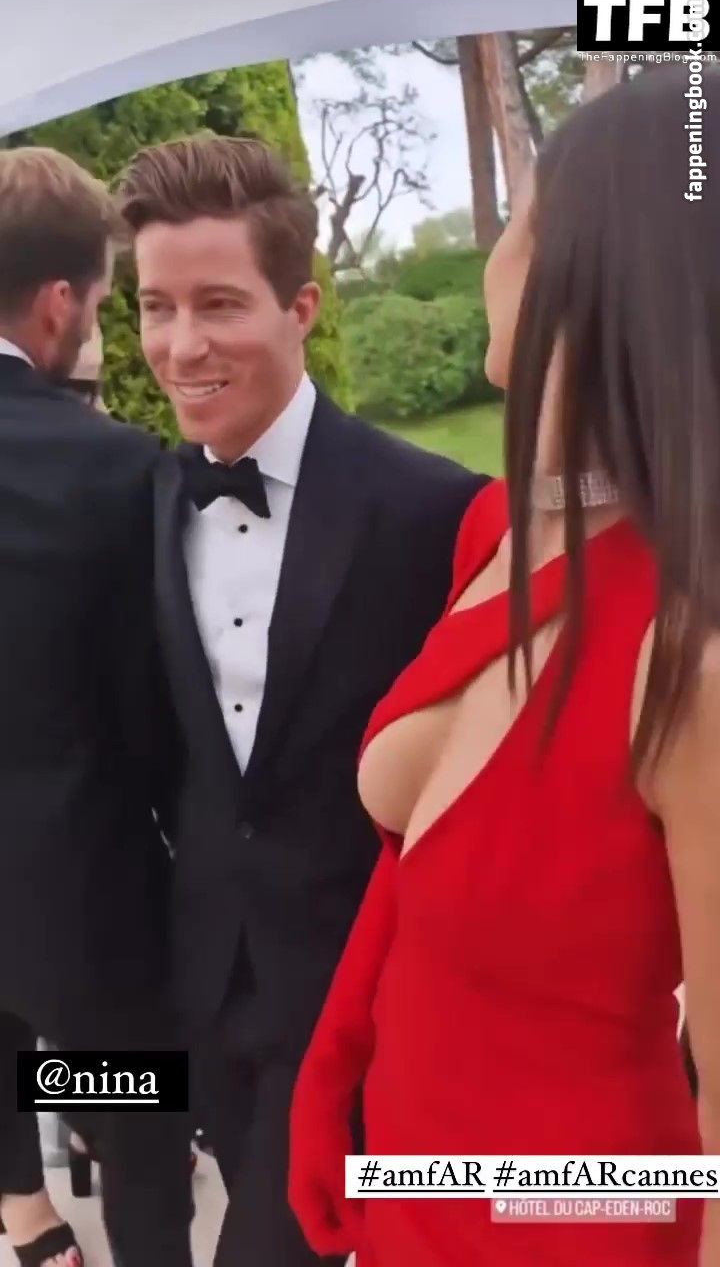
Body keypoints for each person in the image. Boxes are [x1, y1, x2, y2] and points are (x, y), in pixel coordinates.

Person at [288, 65, 720, 1267]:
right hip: (415, 1187)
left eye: (519, 220)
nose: (493, 255)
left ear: (599, 269)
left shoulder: (689, 659)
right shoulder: (498, 532)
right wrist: (333, 1082)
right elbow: (415, 875)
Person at [114, 133, 483, 1267]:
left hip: (363, 995)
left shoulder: (433, 509)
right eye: (157, 307)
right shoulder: (140, 503)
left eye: (219, 304)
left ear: (302, 308)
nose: (181, 345)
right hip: (208, 992)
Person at [0, 146, 194, 1267]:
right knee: (141, 1136)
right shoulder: (117, 468)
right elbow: (153, 714)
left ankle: (26, 1219)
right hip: (84, 896)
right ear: (59, 302)